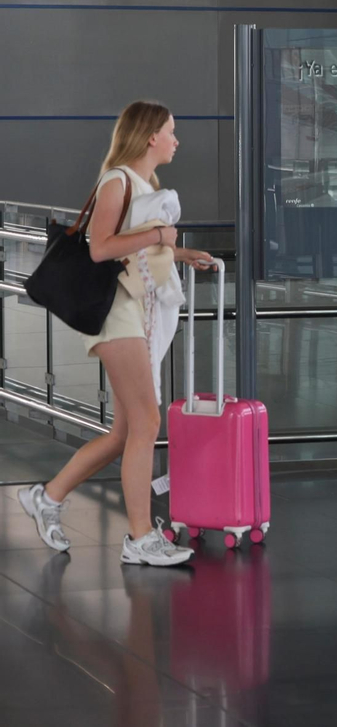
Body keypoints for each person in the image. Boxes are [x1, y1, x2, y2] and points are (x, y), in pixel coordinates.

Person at [20, 102, 216, 567]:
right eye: (171, 131)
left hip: (129, 310)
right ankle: (139, 537)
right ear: (150, 136)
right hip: (115, 314)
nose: (176, 140)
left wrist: (180, 253)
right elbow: (101, 249)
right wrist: (160, 238)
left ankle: (48, 497)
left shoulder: (143, 183)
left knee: (125, 430)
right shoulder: (118, 180)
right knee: (147, 421)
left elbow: (136, 247)